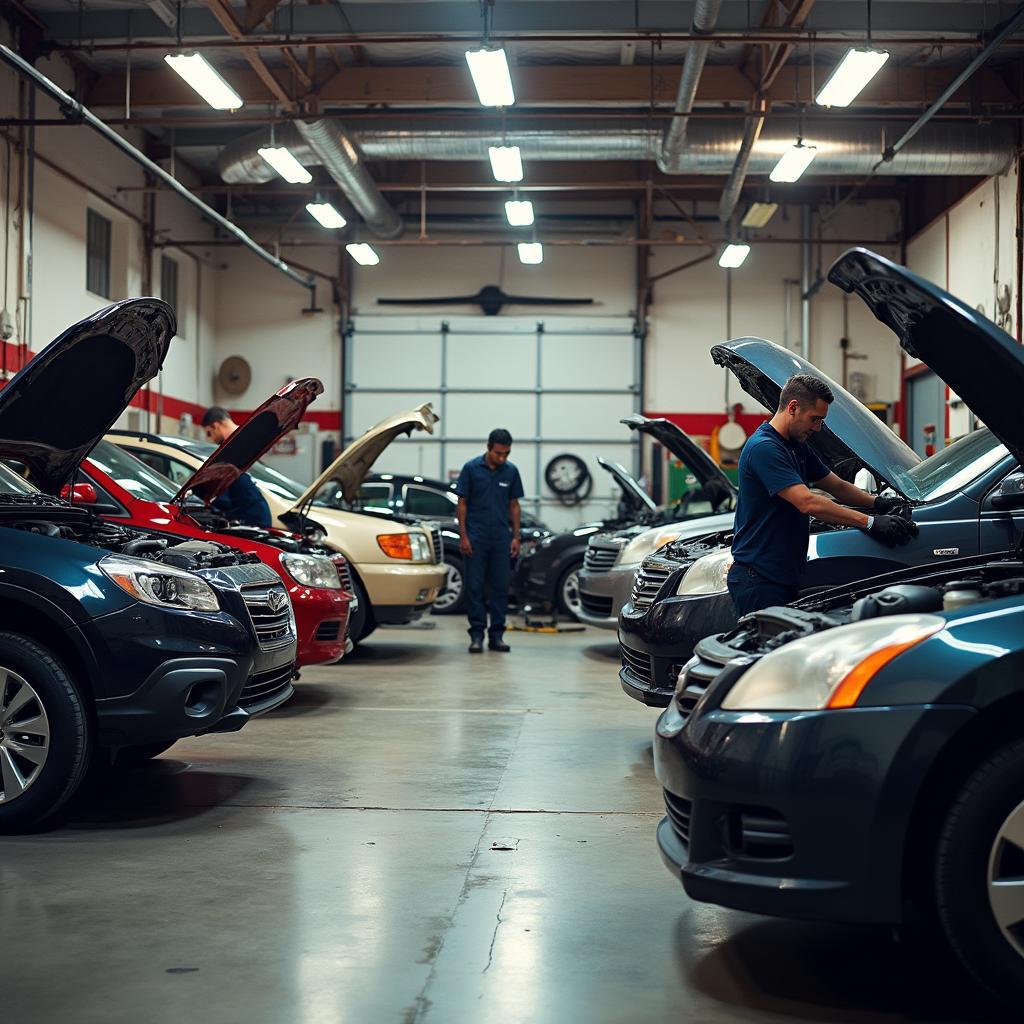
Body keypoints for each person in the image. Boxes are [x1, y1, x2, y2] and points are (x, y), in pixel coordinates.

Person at [727, 373, 915, 617]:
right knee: (767, 652)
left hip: (780, 575)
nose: (817, 428)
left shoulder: (796, 446)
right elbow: (807, 502)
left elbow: (836, 486)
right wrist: (869, 522)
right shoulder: (765, 448)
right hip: (759, 580)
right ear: (793, 408)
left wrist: (878, 503)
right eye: (814, 419)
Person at [455, 428, 524, 654]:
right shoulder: (471, 469)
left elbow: (514, 505)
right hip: (476, 538)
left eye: (506, 454)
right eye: (498, 453)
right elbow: (462, 503)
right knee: (474, 588)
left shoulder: (511, 472)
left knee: (500, 588)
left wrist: (516, 537)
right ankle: (476, 636)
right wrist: (463, 536)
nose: (502, 458)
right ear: (488, 447)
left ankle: (497, 636)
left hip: (500, 540)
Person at [199, 406, 273, 528]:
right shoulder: (250, 437)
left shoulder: (233, 447)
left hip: (250, 517)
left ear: (216, 426)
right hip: (255, 510)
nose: (210, 439)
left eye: (209, 433)